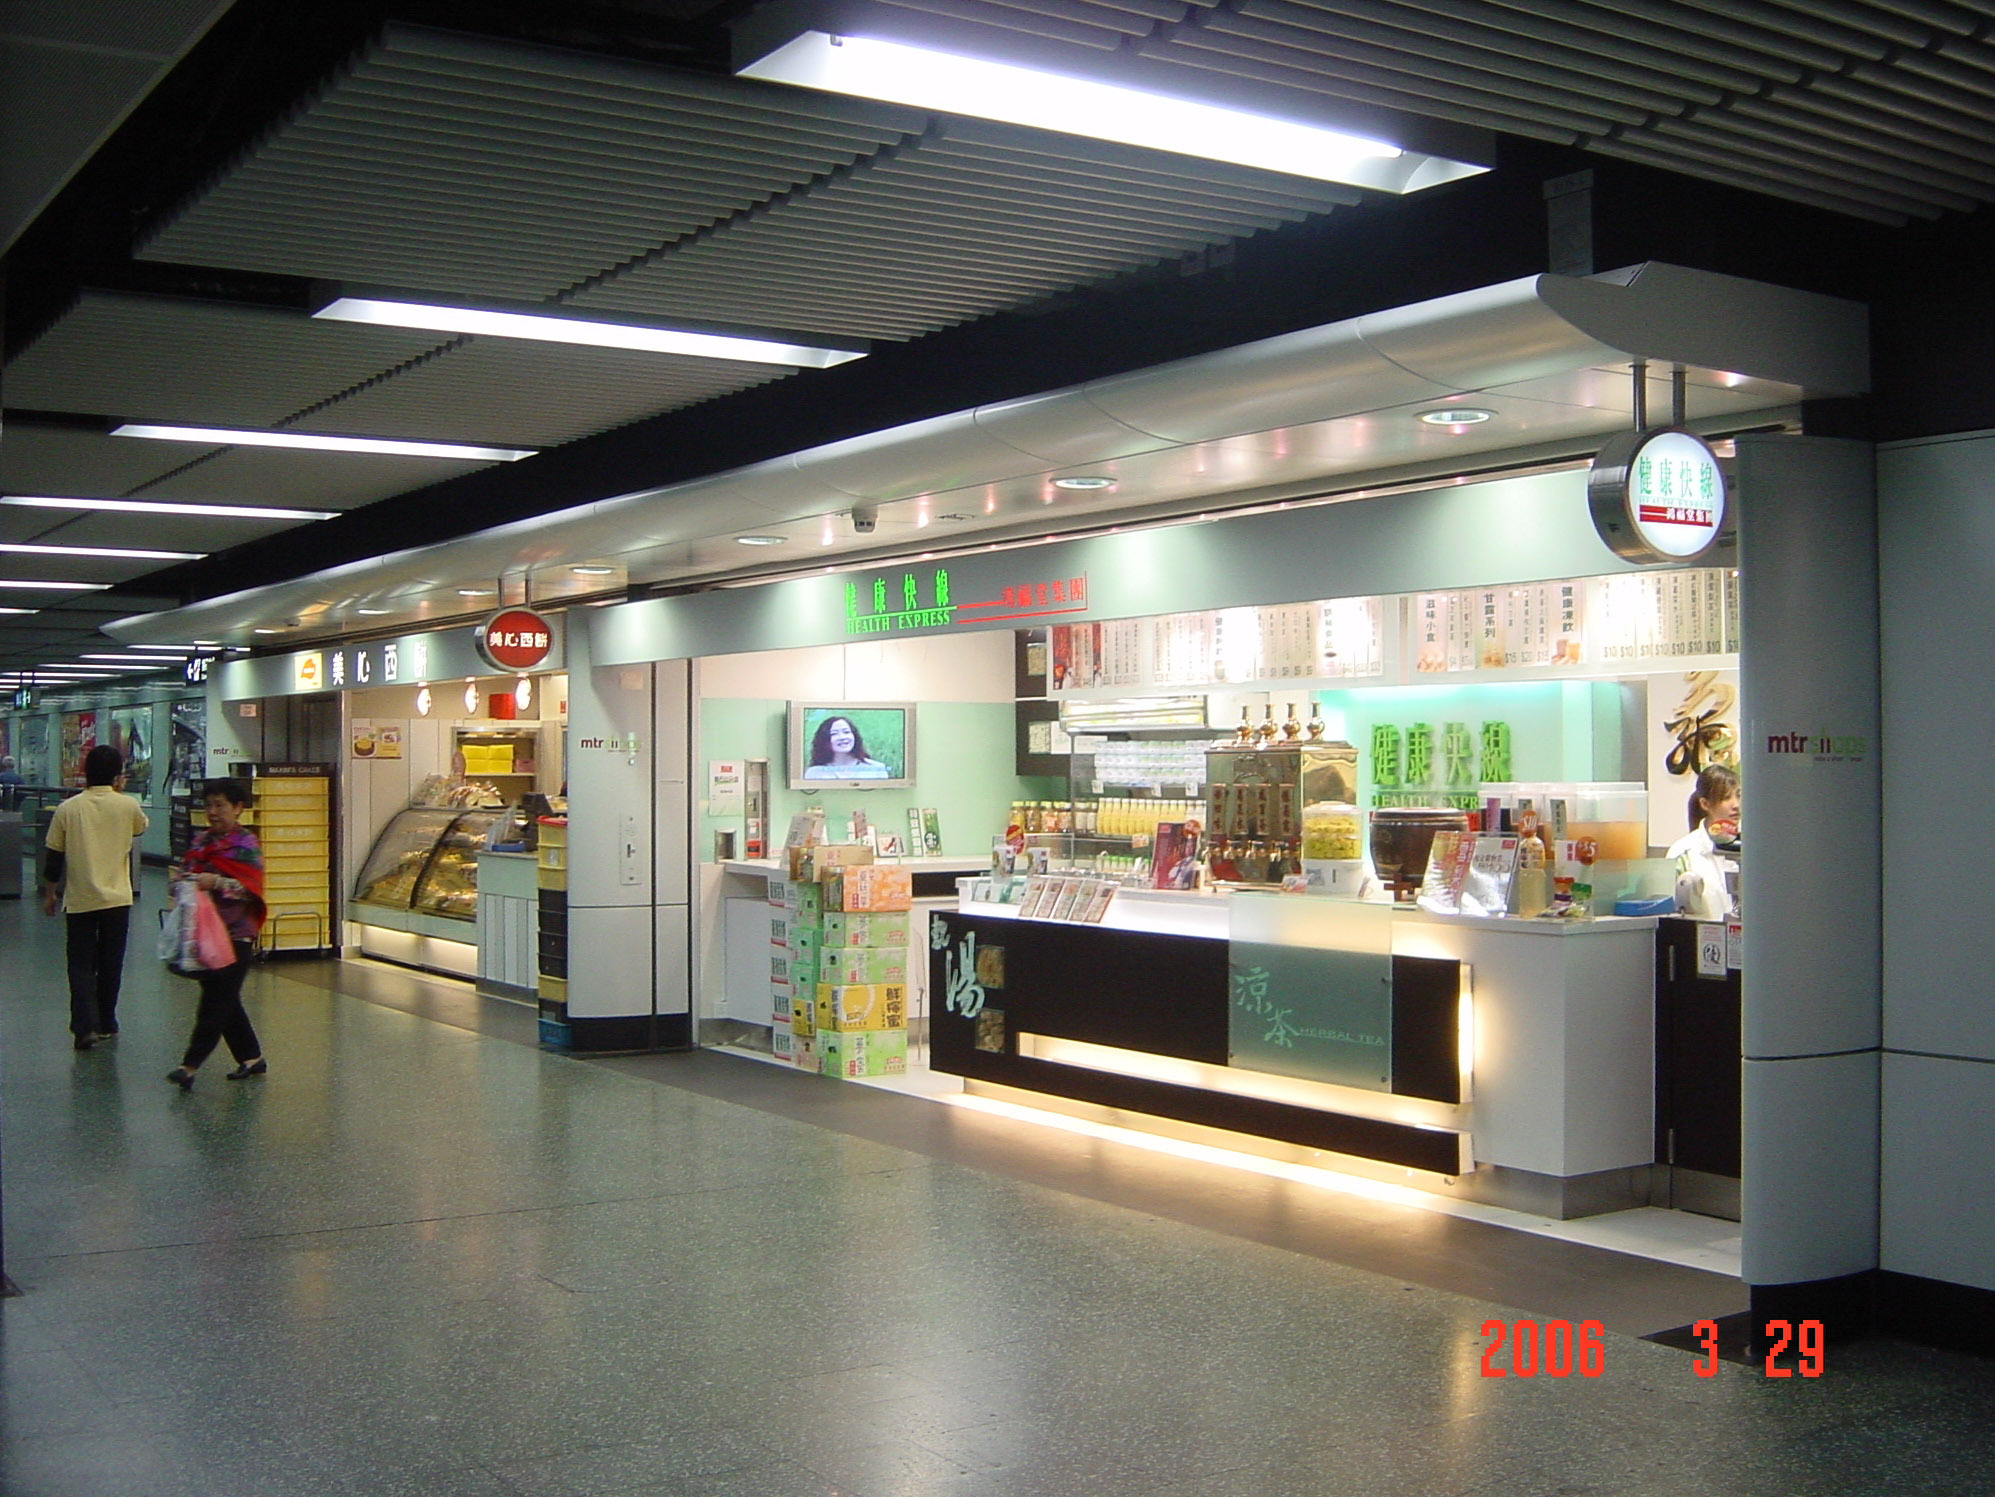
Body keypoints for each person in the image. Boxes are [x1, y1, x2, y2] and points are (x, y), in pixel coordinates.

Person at [41, 744, 149, 1050]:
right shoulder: (127, 805)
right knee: (111, 962)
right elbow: (140, 829)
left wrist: (50, 895)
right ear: (117, 775)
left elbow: (54, 857)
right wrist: (119, 791)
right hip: (117, 900)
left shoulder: (68, 808)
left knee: (80, 965)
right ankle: (107, 1021)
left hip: (80, 900)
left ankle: (84, 1027)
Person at [166, 779, 268, 1090]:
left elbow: (250, 890)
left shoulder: (246, 846)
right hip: (203, 934)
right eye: (208, 805)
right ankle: (251, 1057)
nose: (212, 812)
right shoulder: (200, 842)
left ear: (238, 808)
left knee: (214, 1003)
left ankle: (190, 1065)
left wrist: (218, 882)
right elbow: (183, 876)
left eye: (220, 805)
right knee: (225, 1000)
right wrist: (181, 881)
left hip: (236, 935)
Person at [1667, 763, 1741, 921]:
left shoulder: (1752, 845)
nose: (1736, 805)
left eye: (1739, 795)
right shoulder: (1684, 852)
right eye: (1726, 798)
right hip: (1703, 940)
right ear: (1705, 804)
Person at [803, 716, 891, 780]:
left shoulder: (876, 768)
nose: (842, 737)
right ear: (824, 740)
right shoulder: (814, 772)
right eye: (834, 733)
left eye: (846, 732)